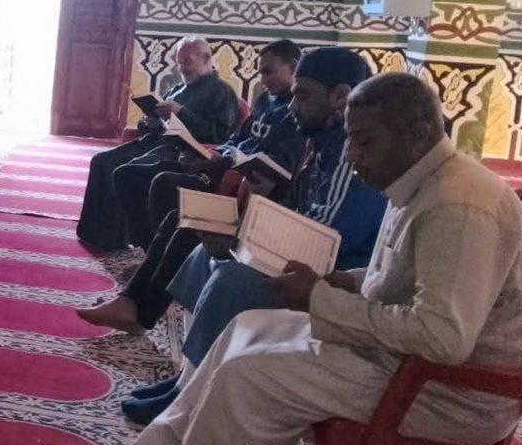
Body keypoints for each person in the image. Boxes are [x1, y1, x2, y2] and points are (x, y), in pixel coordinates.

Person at [66, 72, 522, 445]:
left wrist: (320, 299)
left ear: (414, 135)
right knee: (248, 326)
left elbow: (442, 338)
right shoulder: (424, 180)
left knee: (253, 373)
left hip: (451, 392)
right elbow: (404, 280)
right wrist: (340, 281)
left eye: (365, 141)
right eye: (350, 139)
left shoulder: (458, 206)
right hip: (412, 365)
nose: (352, 156)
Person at [119, 46, 387, 423]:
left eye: (303, 95)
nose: (292, 106)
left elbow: (330, 235)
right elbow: (301, 208)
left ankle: (189, 400)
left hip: (335, 274)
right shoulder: (322, 137)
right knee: (205, 252)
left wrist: (247, 242)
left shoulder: (349, 148)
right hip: (311, 254)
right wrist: (246, 227)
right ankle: (189, 380)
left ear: (340, 96)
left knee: (234, 276)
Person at [77, 40, 303, 335]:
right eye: (260, 72)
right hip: (221, 169)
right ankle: (135, 299)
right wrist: (221, 153)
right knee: (152, 192)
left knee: (178, 204)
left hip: (246, 190)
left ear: (293, 69)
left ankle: (137, 307)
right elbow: (236, 139)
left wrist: (224, 154)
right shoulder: (264, 102)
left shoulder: (281, 111)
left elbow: (272, 160)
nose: (263, 79)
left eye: (269, 72)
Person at [77, 36, 241, 251]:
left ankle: (117, 238)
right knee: (101, 160)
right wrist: (149, 121)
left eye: (188, 61)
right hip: (153, 143)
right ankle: (96, 235)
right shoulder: (177, 89)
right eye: (179, 62)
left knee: (119, 168)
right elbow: (153, 126)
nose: (182, 68)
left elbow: (218, 135)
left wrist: (181, 112)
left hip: (179, 152)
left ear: (206, 58)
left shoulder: (222, 92)